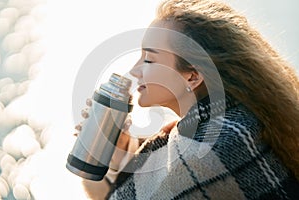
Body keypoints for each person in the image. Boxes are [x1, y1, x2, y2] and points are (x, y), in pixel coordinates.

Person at [77, 0, 299, 199]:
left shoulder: (206, 150)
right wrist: (118, 153)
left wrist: (108, 159)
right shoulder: (235, 120)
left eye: (149, 60)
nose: (134, 71)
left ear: (192, 76)